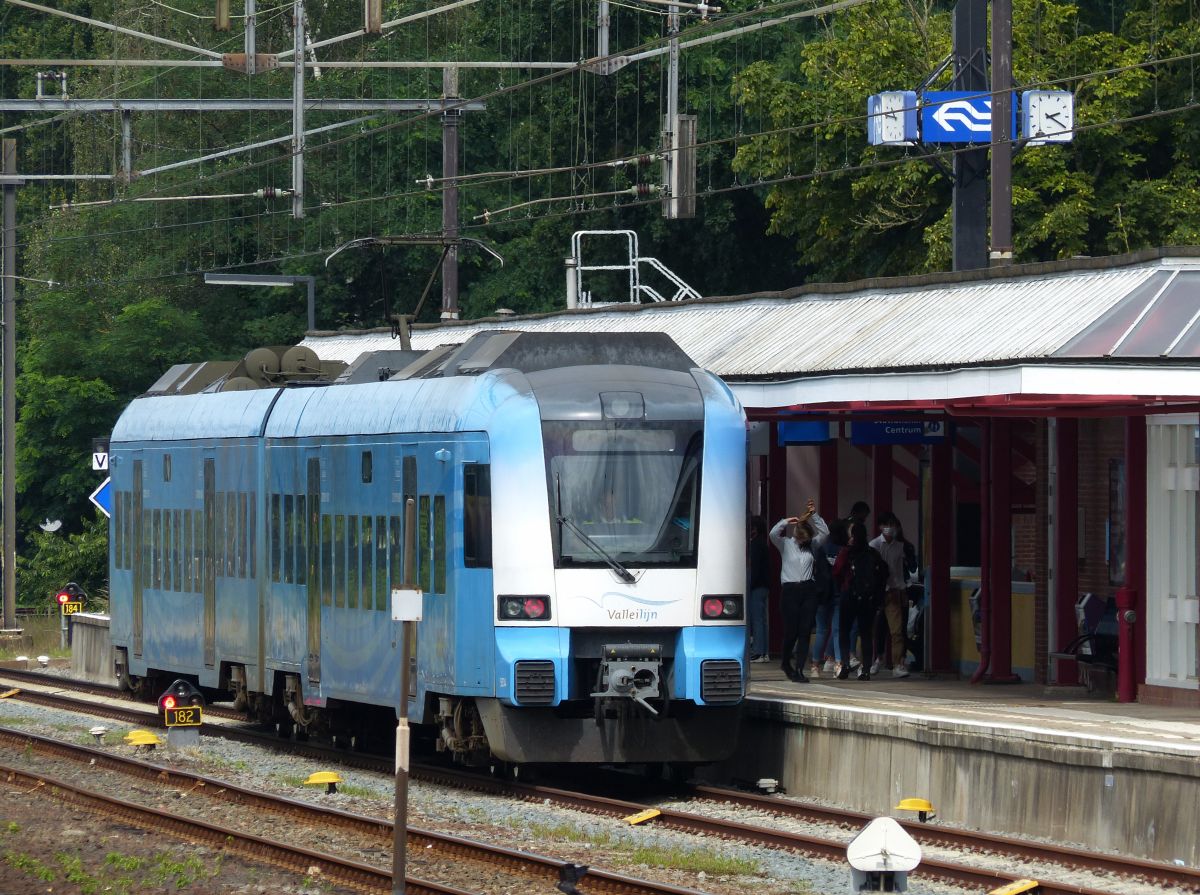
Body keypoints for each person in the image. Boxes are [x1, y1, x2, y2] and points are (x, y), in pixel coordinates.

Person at [769, 498, 829, 683]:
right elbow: (773, 534)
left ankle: (800, 669)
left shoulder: (812, 545)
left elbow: (825, 532)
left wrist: (814, 515)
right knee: (791, 631)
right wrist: (786, 521)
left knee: (804, 631)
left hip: (808, 589)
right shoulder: (786, 544)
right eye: (801, 539)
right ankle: (786, 662)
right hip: (790, 590)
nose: (803, 542)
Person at [832, 522, 886, 680]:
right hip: (867, 599)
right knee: (866, 634)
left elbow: (836, 572)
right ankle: (866, 669)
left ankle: (845, 664)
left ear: (852, 536)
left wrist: (841, 587)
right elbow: (883, 573)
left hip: (849, 595)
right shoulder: (873, 553)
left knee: (844, 631)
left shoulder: (846, 553)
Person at [869, 511, 912, 678]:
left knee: (897, 630)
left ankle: (897, 664)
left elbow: (902, 570)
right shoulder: (874, 546)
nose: (890, 528)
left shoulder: (900, 546)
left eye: (892, 524)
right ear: (880, 527)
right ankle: (877, 659)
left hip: (897, 592)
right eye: (886, 524)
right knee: (878, 629)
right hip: (879, 593)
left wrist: (902, 589)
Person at [807, 518, 847, 678]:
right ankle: (838, 665)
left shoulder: (821, 549)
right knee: (837, 631)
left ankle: (815, 666)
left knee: (822, 631)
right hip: (838, 594)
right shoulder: (844, 550)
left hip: (821, 595)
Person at [747, 517, 771, 662]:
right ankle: (764, 652)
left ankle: (758, 652)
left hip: (756, 586)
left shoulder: (755, 545)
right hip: (763, 586)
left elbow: (754, 569)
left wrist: (749, 585)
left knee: (756, 620)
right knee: (761, 620)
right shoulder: (763, 544)